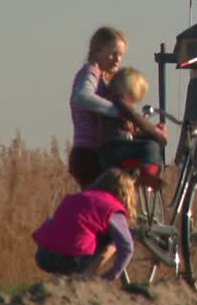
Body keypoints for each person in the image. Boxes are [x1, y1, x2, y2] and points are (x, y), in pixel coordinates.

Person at [68, 27, 166, 189]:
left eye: (120, 55)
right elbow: (81, 97)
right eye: (113, 53)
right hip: (88, 153)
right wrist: (118, 112)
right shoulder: (90, 72)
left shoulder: (100, 78)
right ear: (97, 50)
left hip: (93, 152)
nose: (117, 59)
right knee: (103, 204)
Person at [32, 168, 137, 281]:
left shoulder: (74, 198)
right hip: (73, 261)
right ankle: (85, 278)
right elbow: (127, 248)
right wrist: (110, 275)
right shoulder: (113, 208)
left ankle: (64, 281)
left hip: (45, 256)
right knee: (114, 240)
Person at [97, 66, 166, 189]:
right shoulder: (117, 99)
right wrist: (156, 133)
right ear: (128, 90)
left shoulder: (113, 100)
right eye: (132, 99)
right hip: (114, 149)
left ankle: (141, 175)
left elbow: (132, 133)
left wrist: (150, 133)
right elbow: (136, 117)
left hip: (112, 150)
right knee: (150, 146)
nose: (132, 104)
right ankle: (148, 175)